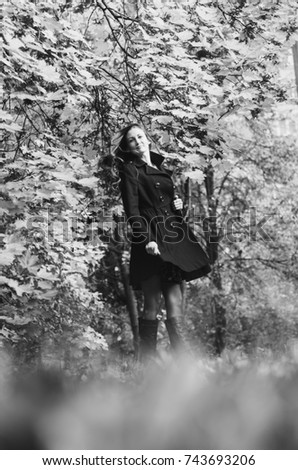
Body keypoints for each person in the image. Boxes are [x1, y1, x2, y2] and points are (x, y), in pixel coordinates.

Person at [113, 123, 211, 360]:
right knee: (152, 303)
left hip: (174, 238)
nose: (138, 141)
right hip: (150, 239)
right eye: (132, 140)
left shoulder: (159, 166)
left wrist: (179, 207)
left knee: (175, 299)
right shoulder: (130, 170)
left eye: (140, 136)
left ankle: (184, 363)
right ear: (128, 147)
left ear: (147, 138)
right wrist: (146, 239)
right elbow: (132, 210)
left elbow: (169, 203)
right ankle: (146, 364)